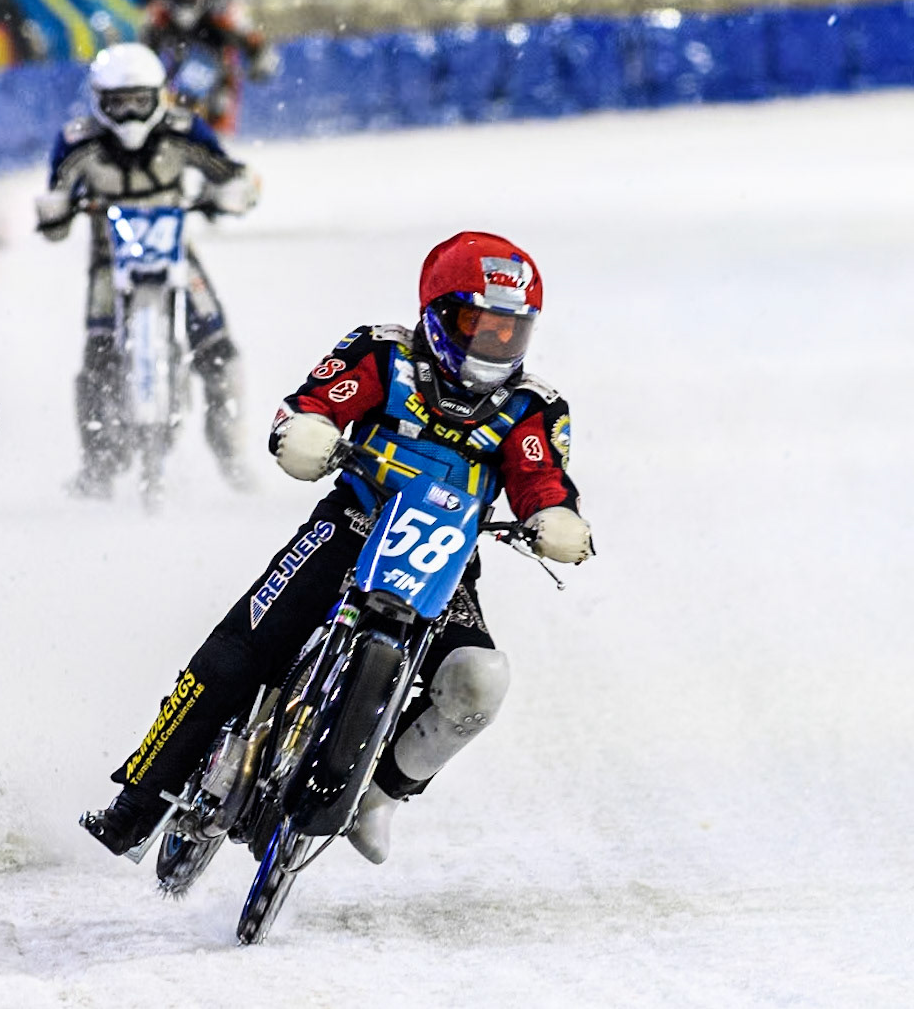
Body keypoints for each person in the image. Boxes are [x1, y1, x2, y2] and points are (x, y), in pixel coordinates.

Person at [80, 231, 594, 864]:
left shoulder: (533, 408)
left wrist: (555, 516)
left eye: (509, 332)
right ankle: (140, 800)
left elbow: (541, 478)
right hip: (351, 523)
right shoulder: (383, 353)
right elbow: (316, 402)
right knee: (239, 651)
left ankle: (378, 796)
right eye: (477, 324)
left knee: (479, 682)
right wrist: (308, 430)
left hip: (445, 562)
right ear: (435, 314)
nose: (494, 343)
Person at [35, 41, 262, 497]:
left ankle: (232, 453)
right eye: (117, 103)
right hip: (109, 261)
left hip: (176, 252)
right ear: (98, 102)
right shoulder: (77, 141)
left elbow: (235, 175)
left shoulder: (184, 129)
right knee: (98, 357)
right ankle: (99, 466)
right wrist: (55, 211)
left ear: (159, 96)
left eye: (139, 100)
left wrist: (230, 195)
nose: (130, 114)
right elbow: (55, 211)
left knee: (218, 350)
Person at [139, 0, 278, 135]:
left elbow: (256, 44)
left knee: (215, 124)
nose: (183, 5)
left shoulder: (224, 15)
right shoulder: (156, 19)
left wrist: (259, 61)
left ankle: (209, 134)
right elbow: (141, 56)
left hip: (217, 91)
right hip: (168, 88)